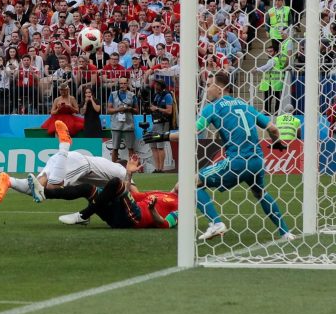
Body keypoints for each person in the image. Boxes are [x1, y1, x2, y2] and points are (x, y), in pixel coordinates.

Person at [142, 71, 294, 241]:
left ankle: (216, 223)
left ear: (220, 88)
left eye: (208, 85)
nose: (206, 89)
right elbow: (272, 129)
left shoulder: (212, 108)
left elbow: (194, 131)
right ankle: (285, 232)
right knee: (261, 194)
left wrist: (163, 136)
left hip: (236, 161)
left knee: (189, 184)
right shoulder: (245, 105)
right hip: (257, 161)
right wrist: (277, 142)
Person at [0, 120, 127, 205]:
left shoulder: (107, 166)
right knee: (53, 188)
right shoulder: (122, 172)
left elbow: (93, 195)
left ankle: (9, 181)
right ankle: (64, 144)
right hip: (81, 164)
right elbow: (131, 191)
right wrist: (131, 172)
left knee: (39, 186)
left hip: (64, 161)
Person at [57, 156, 179, 229]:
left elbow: (165, 225)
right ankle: (45, 193)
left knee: (116, 182)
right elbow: (131, 195)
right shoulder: (162, 193)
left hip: (134, 218)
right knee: (87, 189)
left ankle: (83, 216)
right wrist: (129, 173)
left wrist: (152, 209)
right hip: (119, 215)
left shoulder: (182, 208)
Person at [107, 78, 138, 163]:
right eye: (121, 83)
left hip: (128, 125)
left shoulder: (132, 95)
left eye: (124, 83)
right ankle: (113, 168)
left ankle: (132, 166)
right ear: (119, 84)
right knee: (115, 148)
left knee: (131, 148)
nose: (123, 85)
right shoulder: (113, 94)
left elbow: (137, 111)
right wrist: (118, 109)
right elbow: (109, 110)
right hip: (116, 124)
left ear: (127, 84)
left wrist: (130, 109)